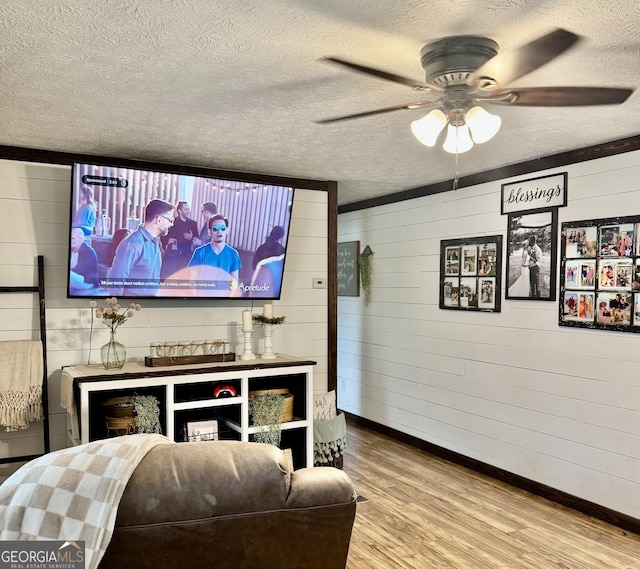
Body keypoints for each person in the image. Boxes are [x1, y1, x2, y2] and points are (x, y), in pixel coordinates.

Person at [107, 199, 174, 296]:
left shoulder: (155, 242)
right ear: (159, 220)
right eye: (170, 220)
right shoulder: (133, 243)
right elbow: (116, 279)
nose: (171, 224)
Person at [188, 214, 242, 291]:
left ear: (227, 231)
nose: (219, 231)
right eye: (215, 229)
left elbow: (234, 282)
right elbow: (191, 281)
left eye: (223, 228)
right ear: (209, 232)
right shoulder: (200, 252)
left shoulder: (233, 254)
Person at [161, 201, 200, 278]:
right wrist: (167, 240)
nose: (189, 211)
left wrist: (191, 238)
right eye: (186, 209)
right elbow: (163, 237)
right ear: (179, 211)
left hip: (186, 256)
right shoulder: (171, 223)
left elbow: (197, 241)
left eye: (189, 209)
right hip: (172, 256)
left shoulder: (193, 224)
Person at [69, 227, 99, 293]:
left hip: (87, 282)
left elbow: (80, 270)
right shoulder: (70, 249)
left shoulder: (88, 252)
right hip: (76, 280)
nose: (71, 241)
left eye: (73, 238)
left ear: (81, 239)